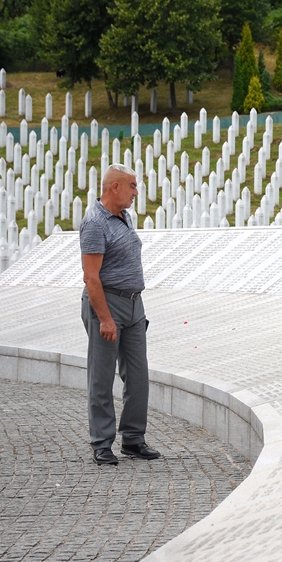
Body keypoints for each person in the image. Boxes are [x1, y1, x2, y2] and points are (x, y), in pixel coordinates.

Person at [79, 163, 161, 466]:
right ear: (115, 187)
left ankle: (133, 439)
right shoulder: (94, 223)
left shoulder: (123, 216)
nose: (136, 192)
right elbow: (91, 276)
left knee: (138, 376)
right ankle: (102, 443)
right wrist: (105, 318)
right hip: (107, 303)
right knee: (101, 377)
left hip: (134, 304)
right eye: (132, 186)